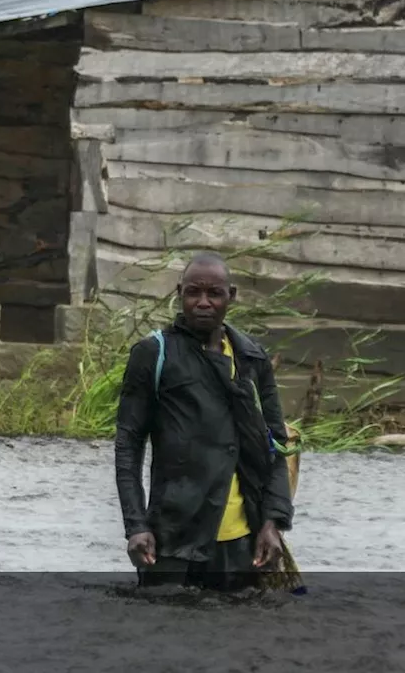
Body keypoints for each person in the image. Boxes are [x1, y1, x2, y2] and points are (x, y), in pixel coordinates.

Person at [114, 252, 294, 592]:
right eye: (193, 293)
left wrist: (273, 523)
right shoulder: (154, 354)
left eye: (214, 294)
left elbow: (277, 445)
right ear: (179, 293)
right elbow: (128, 446)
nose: (203, 303)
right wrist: (136, 525)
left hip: (242, 542)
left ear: (232, 296)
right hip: (173, 538)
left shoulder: (251, 357)